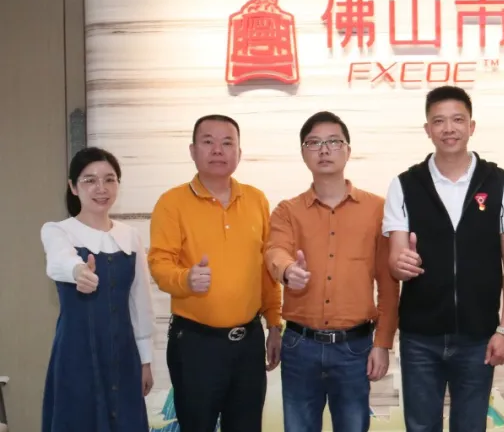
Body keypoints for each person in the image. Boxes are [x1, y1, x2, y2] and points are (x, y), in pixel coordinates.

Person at [382, 86, 504, 432]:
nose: (449, 129)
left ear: (471, 126)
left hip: (479, 336)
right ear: (427, 129)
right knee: (421, 427)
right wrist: (400, 265)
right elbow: (395, 259)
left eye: (458, 120)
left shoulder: (500, 182)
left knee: (471, 427)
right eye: (439, 121)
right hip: (420, 337)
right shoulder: (405, 184)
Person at [264, 111, 400, 432]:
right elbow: (274, 251)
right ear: (303, 153)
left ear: (348, 150)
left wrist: (382, 343)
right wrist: (288, 270)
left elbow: (388, 283)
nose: (324, 150)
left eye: (333, 142)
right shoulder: (287, 210)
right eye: (313, 143)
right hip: (299, 345)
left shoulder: (377, 209)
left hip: (355, 347)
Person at [148, 114, 283, 431]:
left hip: (248, 342)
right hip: (196, 344)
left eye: (227, 143)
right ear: (193, 150)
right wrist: (185, 279)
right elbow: (159, 263)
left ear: (239, 152)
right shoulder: (172, 202)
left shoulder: (256, 199)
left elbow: (266, 268)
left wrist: (275, 323)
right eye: (208, 142)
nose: (218, 150)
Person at [40, 147, 154, 431]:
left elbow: (140, 301)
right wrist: (78, 271)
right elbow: (58, 260)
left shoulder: (130, 236)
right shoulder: (58, 230)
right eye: (89, 180)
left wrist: (145, 360)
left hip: (124, 353)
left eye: (109, 179)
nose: (101, 188)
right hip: (76, 353)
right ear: (73, 187)